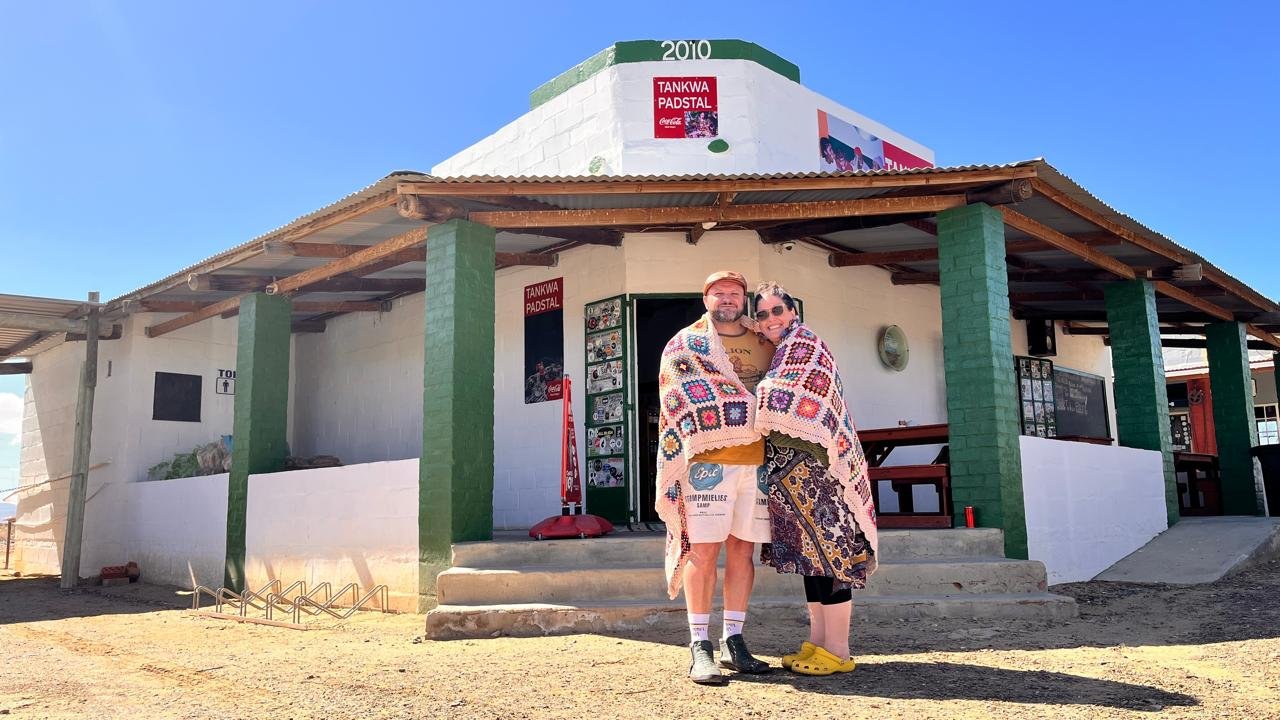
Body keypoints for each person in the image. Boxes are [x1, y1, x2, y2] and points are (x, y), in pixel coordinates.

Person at [751, 281, 879, 676]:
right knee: (811, 559)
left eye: (777, 310)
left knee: (832, 555)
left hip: (820, 470)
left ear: (792, 312)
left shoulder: (805, 344)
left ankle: (838, 650)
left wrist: (746, 396)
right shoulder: (782, 349)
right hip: (793, 472)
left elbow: (785, 395)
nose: (770, 319)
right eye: (762, 314)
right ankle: (818, 644)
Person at [655, 270, 776, 685]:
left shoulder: (767, 341)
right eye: (719, 292)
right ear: (706, 299)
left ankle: (735, 639)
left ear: (744, 299)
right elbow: (676, 399)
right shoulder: (685, 344)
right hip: (707, 463)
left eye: (735, 293)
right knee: (703, 552)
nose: (727, 298)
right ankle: (699, 645)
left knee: (742, 552)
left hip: (757, 462)